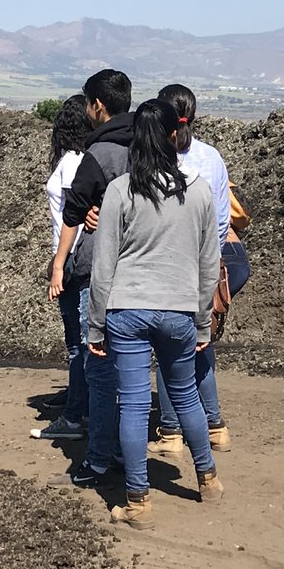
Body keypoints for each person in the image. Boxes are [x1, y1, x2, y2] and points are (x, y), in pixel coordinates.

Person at [87, 98, 223, 528]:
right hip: (180, 311)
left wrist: (95, 326)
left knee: (131, 405)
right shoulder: (199, 189)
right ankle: (208, 479)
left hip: (127, 309)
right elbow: (208, 262)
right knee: (185, 395)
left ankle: (138, 502)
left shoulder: (120, 191)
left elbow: (103, 264)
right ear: (172, 134)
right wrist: (203, 319)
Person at [47, 69, 134, 488]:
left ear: (98, 106)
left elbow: (72, 211)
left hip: (100, 268)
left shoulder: (99, 153)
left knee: (97, 361)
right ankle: (126, 451)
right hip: (144, 271)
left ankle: (99, 458)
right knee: (130, 369)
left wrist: (59, 263)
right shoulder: (152, 147)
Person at [148, 84, 234, 455]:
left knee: (169, 347)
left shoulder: (158, 161)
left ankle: (171, 431)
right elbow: (221, 217)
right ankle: (214, 425)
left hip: (169, 265)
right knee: (199, 344)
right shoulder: (211, 158)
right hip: (207, 261)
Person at [31, 95, 90, 440]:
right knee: (77, 341)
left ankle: (74, 416)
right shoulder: (80, 160)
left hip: (71, 260)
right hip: (72, 259)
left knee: (77, 343)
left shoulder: (72, 162)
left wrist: (59, 264)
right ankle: (76, 401)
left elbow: (75, 214)